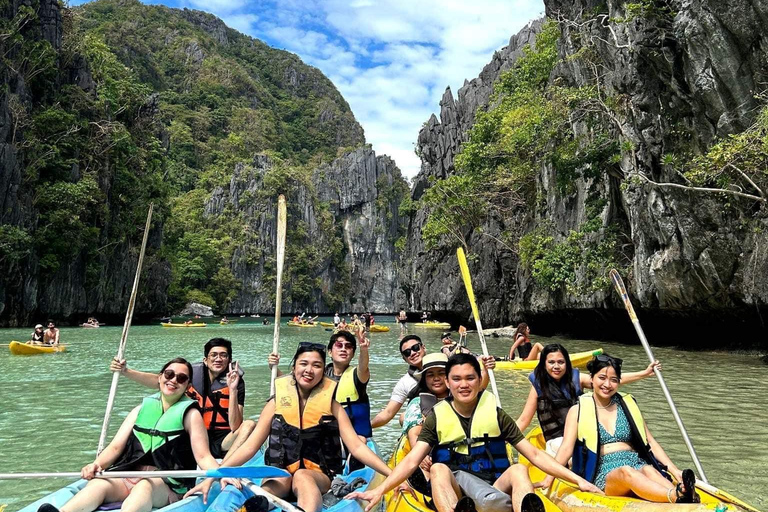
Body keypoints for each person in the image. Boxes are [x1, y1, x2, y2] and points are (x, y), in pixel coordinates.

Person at [347, 353, 602, 512]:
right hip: (458, 492)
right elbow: (413, 459)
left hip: (495, 485)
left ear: (479, 381)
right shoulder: (437, 417)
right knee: (437, 469)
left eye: (470, 378)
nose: (464, 384)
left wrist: (576, 479)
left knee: (519, 469)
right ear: (448, 383)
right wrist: (380, 490)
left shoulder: (496, 414)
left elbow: (534, 454)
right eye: (456, 379)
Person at [184, 343, 391, 511]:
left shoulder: (332, 405)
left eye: (317, 365)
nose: (309, 370)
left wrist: (392, 474)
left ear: (323, 371)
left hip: (318, 475)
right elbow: (250, 447)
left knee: (302, 475)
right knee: (277, 478)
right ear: (294, 368)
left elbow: (356, 447)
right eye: (303, 364)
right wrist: (214, 475)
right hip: (281, 471)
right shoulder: (276, 402)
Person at [38, 358, 219, 512]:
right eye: (169, 374)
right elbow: (116, 447)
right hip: (129, 475)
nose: (173, 380)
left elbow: (203, 456)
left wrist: (221, 473)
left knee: (144, 486)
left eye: (181, 378)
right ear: (160, 377)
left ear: (187, 385)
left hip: (166, 483)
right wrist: (96, 464)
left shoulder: (191, 415)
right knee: (99, 484)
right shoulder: (141, 410)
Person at [543, 354, 700, 503]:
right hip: (604, 472)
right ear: (592, 379)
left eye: (613, 380)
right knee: (626, 472)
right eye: (602, 378)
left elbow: (650, 441)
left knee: (649, 471)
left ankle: (684, 496)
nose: (607, 384)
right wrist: (549, 478)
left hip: (635, 462)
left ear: (619, 381)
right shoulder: (577, 411)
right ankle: (674, 496)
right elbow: (566, 449)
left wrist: (674, 470)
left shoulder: (627, 405)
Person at [110, 338, 254, 459]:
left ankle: (225, 468)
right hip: (192, 435)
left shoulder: (237, 382)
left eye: (223, 355)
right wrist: (125, 371)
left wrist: (233, 389)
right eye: (214, 355)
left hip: (222, 440)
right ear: (205, 359)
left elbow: (236, 426)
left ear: (229, 359)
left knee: (249, 425)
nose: (218, 359)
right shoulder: (187, 376)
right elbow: (158, 381)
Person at [516, 344, 660, 455]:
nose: (556, 366)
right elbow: (524, 420)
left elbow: (607, 381)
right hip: (557, 441)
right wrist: (507, 439)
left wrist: (645, 373)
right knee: (576, 452)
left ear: (567, 363)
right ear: (544, 364)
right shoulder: (538, 386)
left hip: (583, 436)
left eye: (561, 362)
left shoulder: (576, 379)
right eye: (551, 362)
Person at [268, 327, 372, 440]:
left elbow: (363, 366)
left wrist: (364, 349)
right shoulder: (319, 374)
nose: (343, 349)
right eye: (339, 345)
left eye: (348, 346)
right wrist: (274, 367)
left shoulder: (357, 375)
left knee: (361, 440)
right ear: (330, 352)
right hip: (325, 434)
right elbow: (292, 385)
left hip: (354, 435)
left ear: (352, 354)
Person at [371, 334, 426, 428]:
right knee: (403, 417)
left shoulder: (444, 367)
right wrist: (366, 426)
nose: (412, 353)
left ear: (423, 347)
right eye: (407, 353)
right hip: (423, 424)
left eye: (415, 347)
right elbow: (388, 412)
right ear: (404, 359)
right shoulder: (405, 382)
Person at [402, 353, 450, 450]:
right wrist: (422, 457)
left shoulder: (459, 399)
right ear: (424, 379)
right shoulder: (417, 403)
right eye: (430, 375)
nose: (436, 378)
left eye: (441, 373)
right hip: (424, 450)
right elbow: (414, 434)